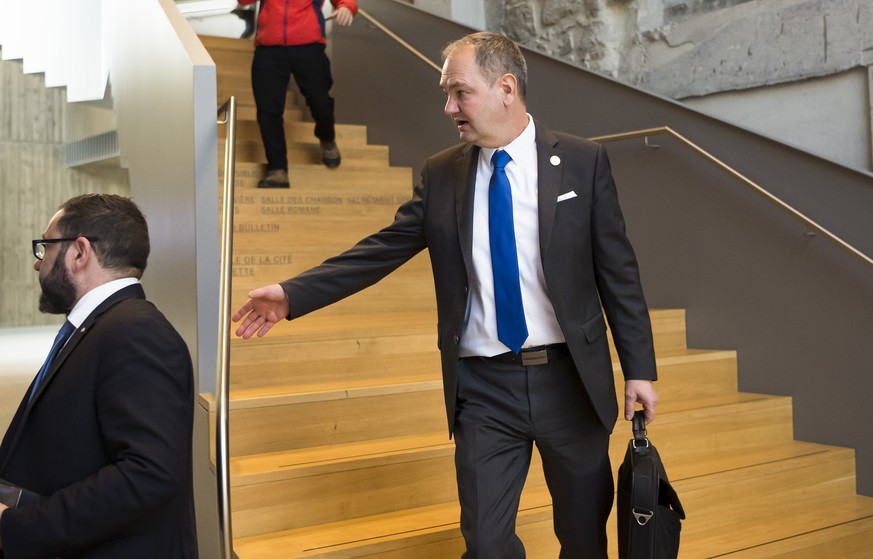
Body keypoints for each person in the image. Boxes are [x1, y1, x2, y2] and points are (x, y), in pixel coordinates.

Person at [232, 32, 659, 557]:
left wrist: (639, 368)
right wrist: (294, 294)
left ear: (506, 88)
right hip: (484, 390)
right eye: (447, 93)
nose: (448, 107)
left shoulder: (580, 162)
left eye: (460, 92)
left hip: (570, 381)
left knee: (583, 537)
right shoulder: (442, 174)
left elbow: (618, 272)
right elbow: (381, 250)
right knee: (486, 544)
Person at [0, 194, 198, 558]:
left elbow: (147, 475)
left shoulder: (137, 333)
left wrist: (17, 525)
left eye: (45, 247)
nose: (36, 263)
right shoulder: (102, 325)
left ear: (79, 253)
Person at [236, 0, 358, 188]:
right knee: (268, 111)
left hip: (309, 45)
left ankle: (327, 138)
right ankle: (278, 169)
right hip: (269, 48)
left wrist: (346, 7)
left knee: (321, 101)